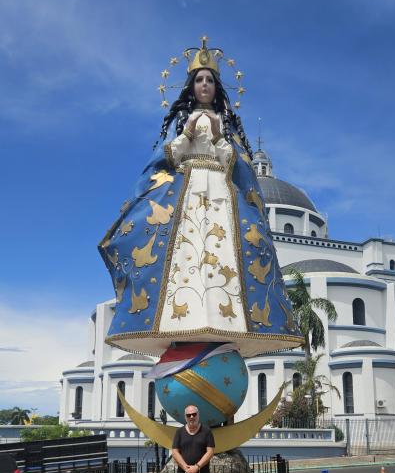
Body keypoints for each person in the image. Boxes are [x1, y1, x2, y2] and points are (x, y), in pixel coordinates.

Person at [99, 38, 303, 359]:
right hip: (188, 190)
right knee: (186, 252)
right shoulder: (182, 120)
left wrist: (220, 137)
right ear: (191, 86)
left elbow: (235, 161)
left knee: (221, 250)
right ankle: (184, 314)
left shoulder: (227, 123)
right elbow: (168, 157)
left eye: (209, 80)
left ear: (216, 86)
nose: (204, 85)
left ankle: (224, 315)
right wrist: (187, 134)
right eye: (199, 80)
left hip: (221, 193)